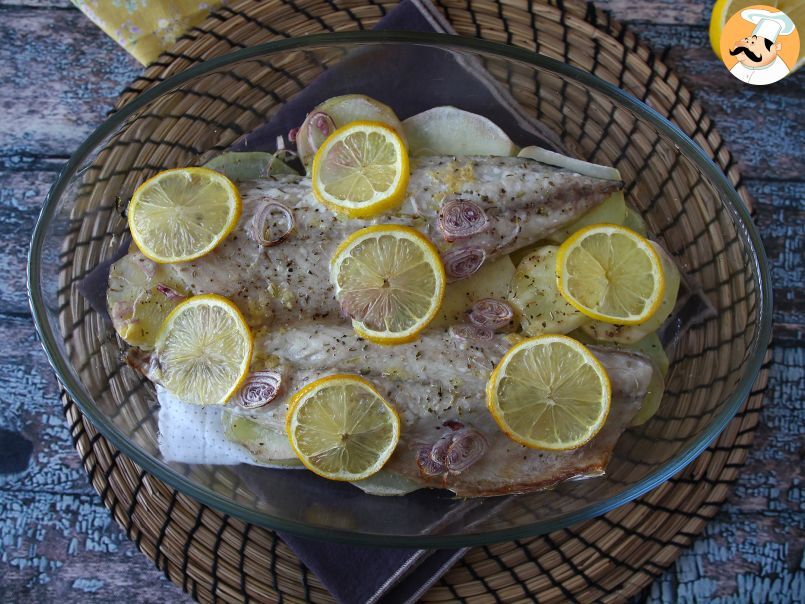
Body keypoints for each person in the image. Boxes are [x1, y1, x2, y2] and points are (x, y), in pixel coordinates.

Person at [729, 9, 796, 85]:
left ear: (776, 47)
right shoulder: (738, 66)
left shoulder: (778, 70)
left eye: (753, 43)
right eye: (747, 40)